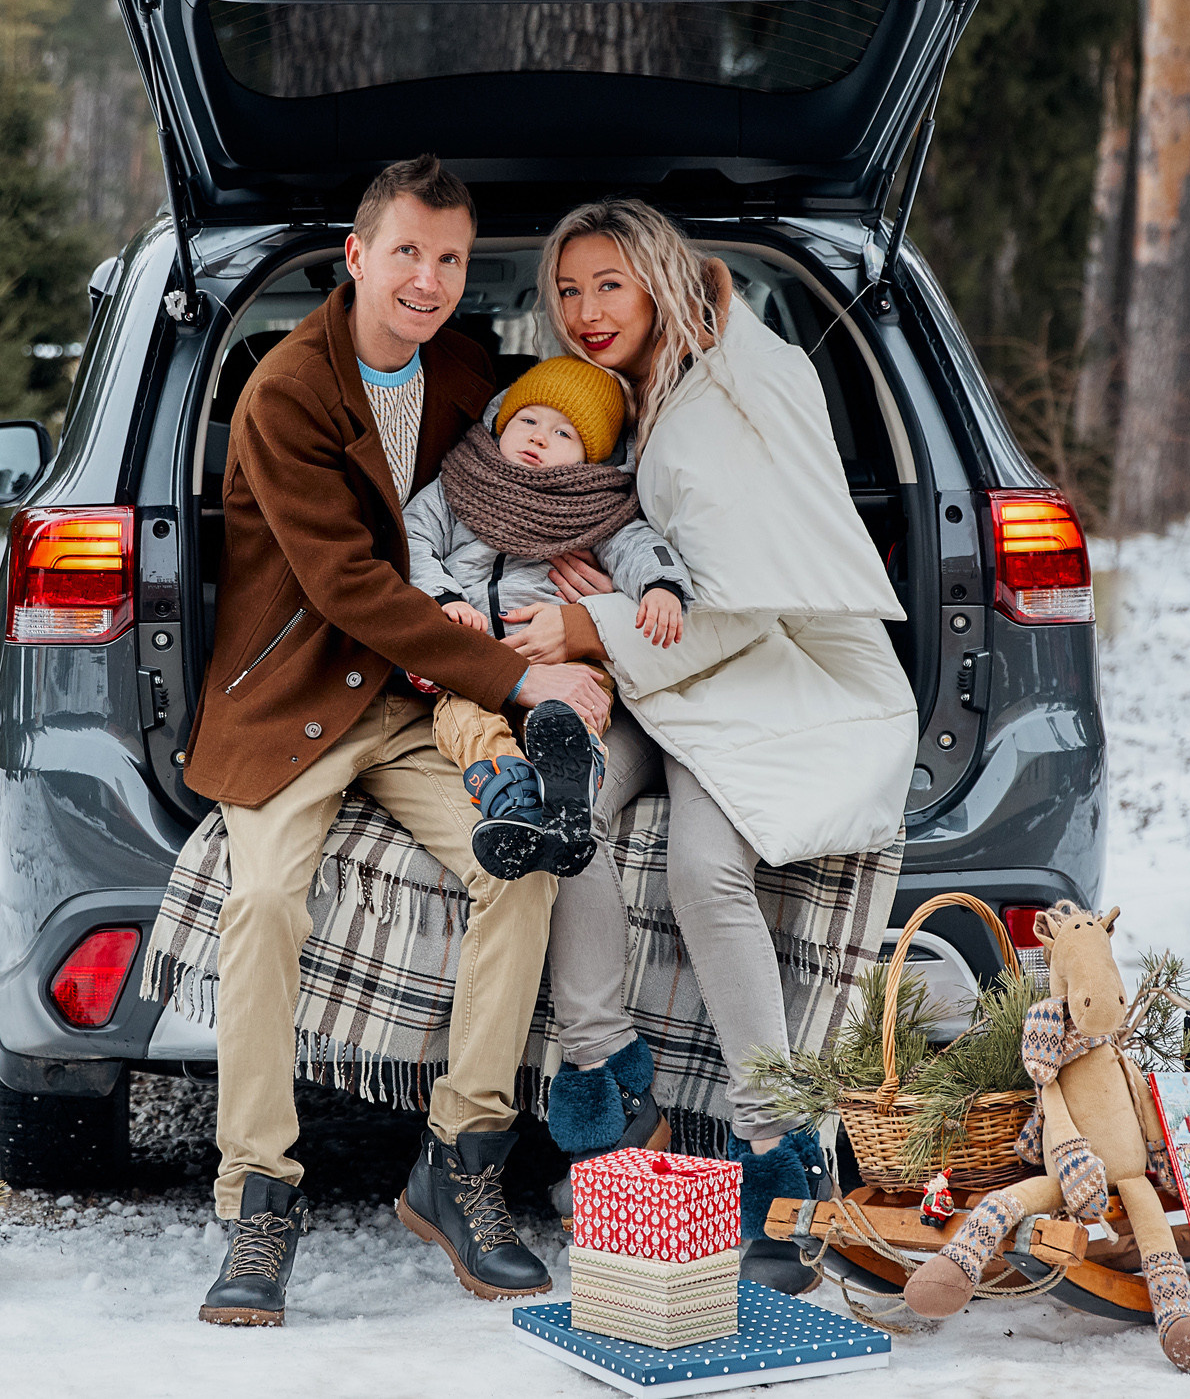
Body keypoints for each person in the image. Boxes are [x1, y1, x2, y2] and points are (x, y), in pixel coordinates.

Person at [183, 156, 612, 1327]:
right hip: (296, 696)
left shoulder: (470, 371)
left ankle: (462, 1158)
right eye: (408, 252)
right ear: (357, 257)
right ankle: (257, 1193)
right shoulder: (285, 392)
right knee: (264, 899)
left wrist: (583, 560)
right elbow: (351, 588)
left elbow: (523, 474)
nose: (427, 280)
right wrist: (528, 679)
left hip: (421, 702)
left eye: (452, 260)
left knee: (516, 863)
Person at [509, 199, 919, 1294]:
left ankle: (775, 1142)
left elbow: (745, 594)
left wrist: (590, 621)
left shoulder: (738, 393)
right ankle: (606, 1068)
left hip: (764, 676)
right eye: (567, 290)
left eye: (608, 284)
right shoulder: (633, 396)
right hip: (659, 679)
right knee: (569, 819)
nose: (585, 312)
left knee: (702, 868)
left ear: (655, 278)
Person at [402, 354, 692, 881]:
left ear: (590, 456)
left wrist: (662, 587)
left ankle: (570, 783)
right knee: (464, 716)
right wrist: (444, 600)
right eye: (527, 421)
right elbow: (412, 538)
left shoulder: (592, 508)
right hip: (478, 660)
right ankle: (509, 796)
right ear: (501, 422)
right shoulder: (459, 485)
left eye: (564, 432)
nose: (539, 437)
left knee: (579, 698)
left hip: (563, 660)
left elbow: (636, 546)